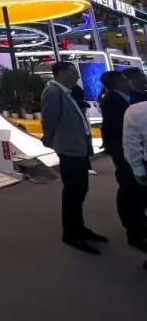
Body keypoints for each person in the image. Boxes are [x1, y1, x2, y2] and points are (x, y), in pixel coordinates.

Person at [41, 61, 107, 254]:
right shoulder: (53, 92)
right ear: (61, 74)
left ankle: (79, 228)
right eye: (73, 72)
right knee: (73, 192)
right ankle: (71, 233)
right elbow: (49, 120)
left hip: (77, 147)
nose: (77, 76)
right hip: (69, 149)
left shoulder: (66, 91)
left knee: (80, 189)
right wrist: (51, 141)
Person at [99, 71, 147, 251]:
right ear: (118, 82)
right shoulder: (111, 101)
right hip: (125, 153)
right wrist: (119, 155)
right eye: (126, 79)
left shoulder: (133, 98)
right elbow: (113, 131)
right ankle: (134, 233)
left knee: (138, 192)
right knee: (129, 191)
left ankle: (140, 224)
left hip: (136, 152)